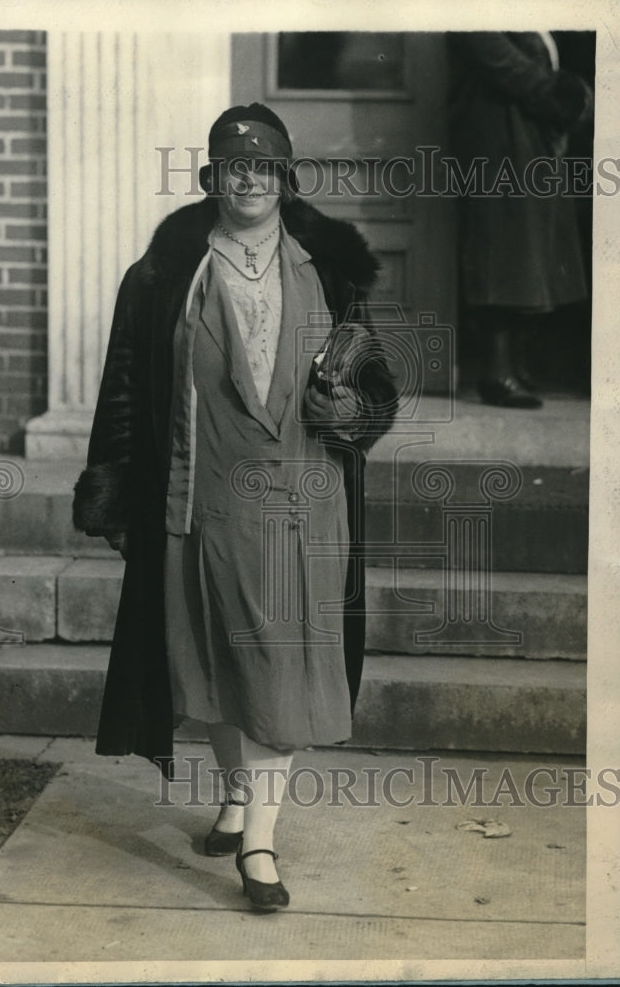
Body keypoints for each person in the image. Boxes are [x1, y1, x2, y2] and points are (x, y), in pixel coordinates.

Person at [73, 104, 396, 911]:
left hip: (303, 500)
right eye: (231, 167)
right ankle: (234, 800)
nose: (247, 179)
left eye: (263, 166)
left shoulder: (331, 273)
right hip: (200, 498)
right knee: (213, 663)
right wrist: (113, 487)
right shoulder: (166, 276)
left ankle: (258, 843)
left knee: (279, 669)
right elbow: (124, 390)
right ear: (213, 178)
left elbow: (376, 387)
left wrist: (347, 410)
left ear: (285, 178)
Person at [447, 32, 592, 407]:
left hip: (526, 135)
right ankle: (496, 371)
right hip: (497, 136)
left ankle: (514, 362)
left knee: (528, 250)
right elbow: (496, 56)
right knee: (504, 249)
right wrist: (557, 94)